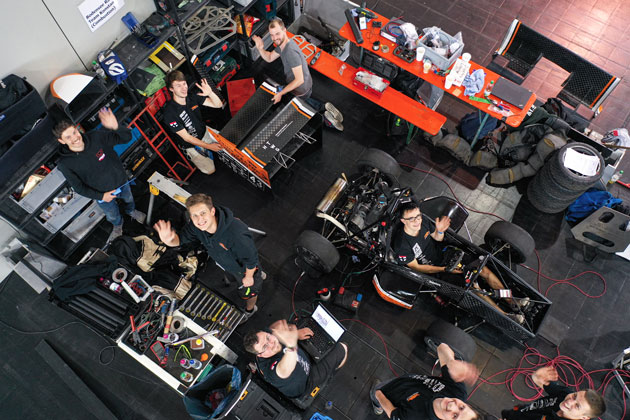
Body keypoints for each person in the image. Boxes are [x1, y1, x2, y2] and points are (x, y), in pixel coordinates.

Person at [392, 201, 529, 324]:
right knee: (472, 286)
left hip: (447, 254)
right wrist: (444, 269)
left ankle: (513, 301)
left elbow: (437, 239)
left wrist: (439, 231)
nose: (417, 221)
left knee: (483, 270)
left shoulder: (424, 223)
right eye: (412, 219)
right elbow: (417, 268)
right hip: (437, 272)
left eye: (418, 216)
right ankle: (506, 316)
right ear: (403, 221)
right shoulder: (402, 245)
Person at [153, 193, 262, 317]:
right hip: (226, 264)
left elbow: (251, 259)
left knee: (249, 292)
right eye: (194, 215)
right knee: (236, 276)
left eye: (203, 213)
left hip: (245, 270)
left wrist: (249, 277)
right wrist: (169, 240)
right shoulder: (196, 227)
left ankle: (250, 310)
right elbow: (180, 240)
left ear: (212, 211)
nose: (200, 220)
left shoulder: (236, 234)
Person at [54, 108, 145, 243]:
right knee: (112, 214)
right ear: (61, 141)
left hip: (121, 182)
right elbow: (78, 187)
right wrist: (102, 196)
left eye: (74, 132)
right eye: (68, 137)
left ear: (77, 128)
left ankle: (131, 211)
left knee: (129, 199)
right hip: (102, 195)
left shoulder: (96, 137)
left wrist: (115, 126)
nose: (75, 138)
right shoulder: (65, 164)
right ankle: (117, 225)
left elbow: (127, 137)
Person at [251, 17, 344, 131]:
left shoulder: (290, 52)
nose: (274, 38)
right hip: (303, 83)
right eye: (272, 35)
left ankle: (326, 118)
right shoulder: (284, 44)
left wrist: (281, 93)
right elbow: (269, 57)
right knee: (305, 99)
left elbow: (299, 80)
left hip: (300, 87)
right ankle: (323, 107)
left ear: (284, 30)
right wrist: (260, 48)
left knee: (304, 106)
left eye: (277, 33)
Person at [371, 343, 480, 419]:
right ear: (468, 405)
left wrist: (378, 395)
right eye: (461, 407)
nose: (452, 406)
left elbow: (393, 414)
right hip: (408, 380)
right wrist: (451, 362)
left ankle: (377, 405)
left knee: (376, 393)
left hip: (389, 392)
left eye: (454, 416)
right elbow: (441, 347)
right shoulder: (458, 392)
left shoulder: (416, 417)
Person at [243, 319, 348, 398]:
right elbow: (283, 370)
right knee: (343, 348)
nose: (271, 343)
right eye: (265, 347)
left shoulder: (267, 334)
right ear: (260, 355)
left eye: (268, 337)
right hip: (307, 381)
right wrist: (292, 345)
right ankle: (331, 372)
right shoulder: (270, 370)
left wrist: (296, 333)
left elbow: (273, 328)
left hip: (301, 354)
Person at [163, 70, 223, 174]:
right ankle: (196, 155)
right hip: (191, 145)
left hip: (204, 132)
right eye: (178, 86)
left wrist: (210, 93)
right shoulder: (170, 113)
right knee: (210, 170)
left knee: (230, 146)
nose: (183, 88)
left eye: (184, 84)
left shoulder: (192, 97)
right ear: (171, 89)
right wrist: (209, 146)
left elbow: (218, 105)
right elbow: (187, 138)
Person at [501, 366, 606, 420]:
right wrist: (537, 376)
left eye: (577, 406)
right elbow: (542, 383)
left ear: (584, 418)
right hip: (522, 412)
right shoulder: (565, 394)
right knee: (506, 413)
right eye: (574, 396)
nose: (569, 401)